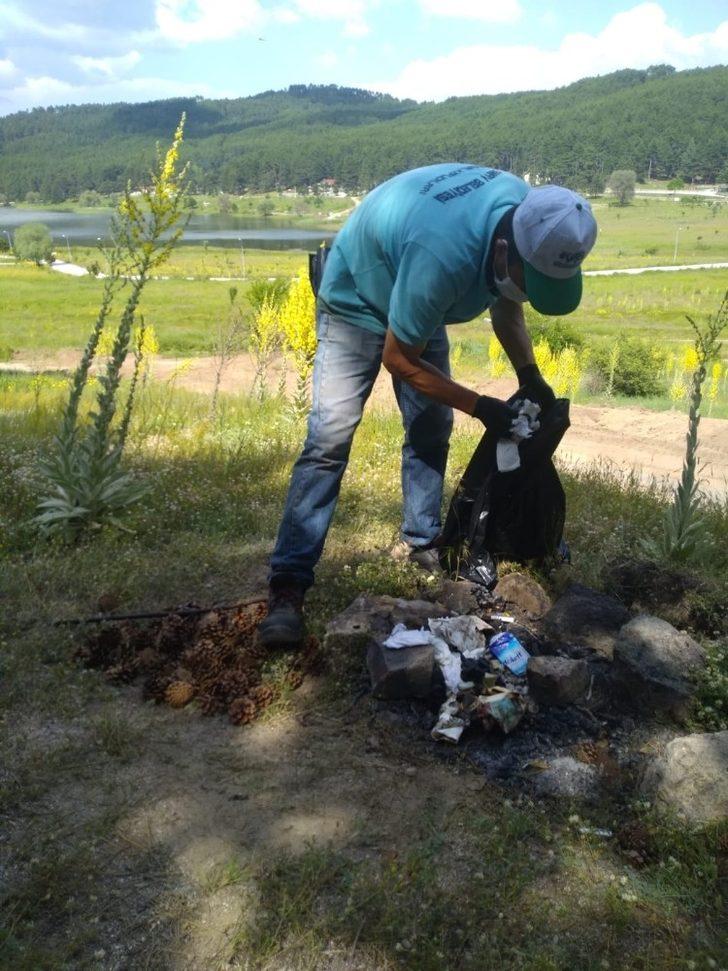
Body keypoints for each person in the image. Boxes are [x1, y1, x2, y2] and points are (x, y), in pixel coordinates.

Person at [257, 163, 597, 647]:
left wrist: (530, 376)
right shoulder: (445, 256)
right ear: (504, 250)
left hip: (414, 283)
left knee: (431, 427)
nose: (525, 291)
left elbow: (507, 302)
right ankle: (288, 586)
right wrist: (481, 406)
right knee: (329, 438)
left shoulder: (531, 217)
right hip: (357, 297)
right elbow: (400, 358)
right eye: (529, 280)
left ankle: (421, 541)